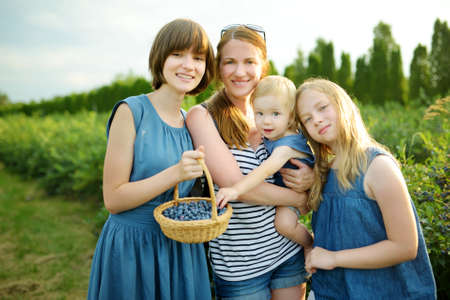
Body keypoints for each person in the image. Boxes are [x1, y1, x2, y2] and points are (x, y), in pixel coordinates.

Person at [87, 19, 215, 300]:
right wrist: (175, 174)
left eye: (198, 57)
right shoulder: (132, 111)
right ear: (161, 57)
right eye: (178, 54)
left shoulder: (188, 121)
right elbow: (114, 198)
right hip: (134, 247)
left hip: (180, 247)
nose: (188, 65)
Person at [186, 25, 314, 300]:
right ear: (219, 67)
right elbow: (236, 185)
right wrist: (300, 198)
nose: (240, 72)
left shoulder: (278, 112)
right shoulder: (203, 115)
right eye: (230, 62)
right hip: (241, 266)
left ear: (263, 66)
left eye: (249, 62)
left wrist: (311, 180)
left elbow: (306, 156)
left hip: (286, 250)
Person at [296, 78, 437, 299]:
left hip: (385, 292)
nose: (317, 120)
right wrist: (312, 249)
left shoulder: (377, 166)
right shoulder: (323, 174)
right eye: (307, 119)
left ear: (342, 104)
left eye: (322, 107)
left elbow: (405, 246)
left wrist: (333, 258)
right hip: (332, 292)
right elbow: (340, 233)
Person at [215, 75, 316, 248]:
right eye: (259, 113)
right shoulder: (276, 132)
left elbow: (266, 169)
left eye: (275, 114)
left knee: (284, 225)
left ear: (291, 117)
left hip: (296, 191)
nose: (266, 121)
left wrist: (235, 190)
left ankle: (310, 245)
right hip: (286, 189)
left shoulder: (287, 146)